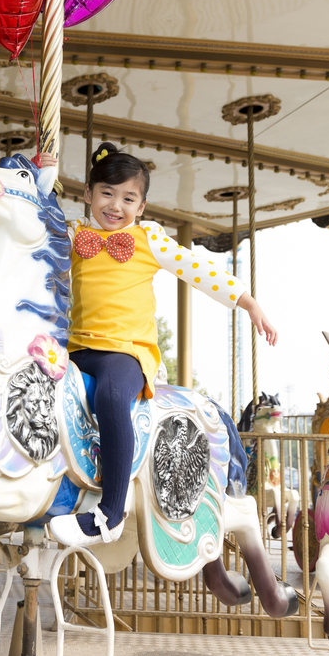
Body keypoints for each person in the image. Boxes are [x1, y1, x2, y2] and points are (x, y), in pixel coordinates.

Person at [40, 142, 277, 548]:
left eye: (128, 198)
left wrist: (247, 300)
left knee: (113, 398)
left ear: (142, 207)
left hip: (125, 352)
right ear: (88, 196)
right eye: (107, 194)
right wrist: (44, 177)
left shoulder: (148, 239)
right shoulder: (77, 235)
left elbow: (199, 269)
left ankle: (110, 514)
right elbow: (36, 224)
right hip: (76, 349)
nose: (116, 206)